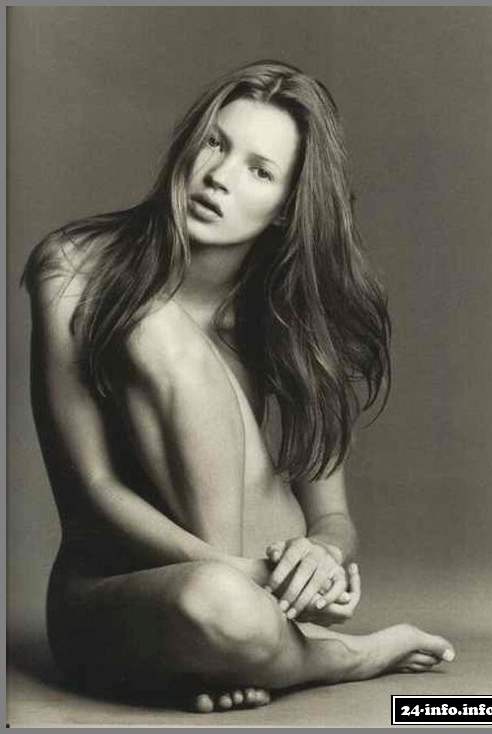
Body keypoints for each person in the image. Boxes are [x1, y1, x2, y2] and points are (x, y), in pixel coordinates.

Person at [23, 60, 455, 713]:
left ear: (286, 209)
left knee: (221, 605)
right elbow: (92, 491)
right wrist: (245, 575)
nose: (219, 176)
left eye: (259, 171)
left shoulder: (291, 319)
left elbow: (331, 516)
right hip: (113, 595)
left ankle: (238, 649)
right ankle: (345, 655)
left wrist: (320, 557)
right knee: (153, 324)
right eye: (215, 143)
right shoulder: (74, 268)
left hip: (237, 587)